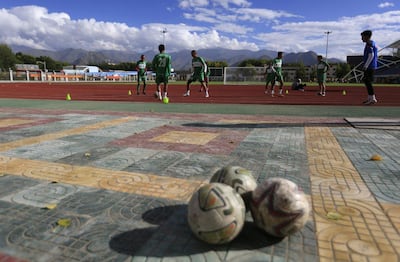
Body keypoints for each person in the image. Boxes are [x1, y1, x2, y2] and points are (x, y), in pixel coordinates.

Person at [361, 30, 378, 105]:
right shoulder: (370, 43)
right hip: (370, 65)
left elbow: (371, 55)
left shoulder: (369, 44)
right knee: (366, 81)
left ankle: (373, 98)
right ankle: (370, 98)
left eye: (363, 36)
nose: (362, 38)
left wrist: (366, 66)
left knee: (368, 82)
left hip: (370, 66)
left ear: (367, 36)